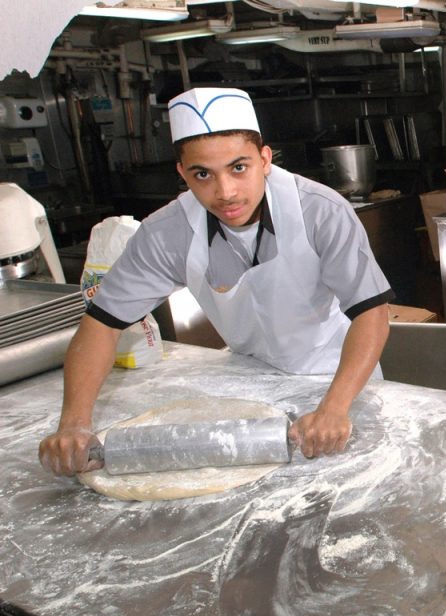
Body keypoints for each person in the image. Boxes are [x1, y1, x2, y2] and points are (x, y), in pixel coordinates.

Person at [39, 87, 394, 475]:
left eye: (238, 168)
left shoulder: (321, 212)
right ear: (182, 173)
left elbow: (371, 313)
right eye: (203, 174)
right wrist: (73, 423)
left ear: (265, 159)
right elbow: (101, 325)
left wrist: (334, 407)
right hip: (252, 382)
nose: (225, 192)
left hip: (339, 379)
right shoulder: (167, 233)